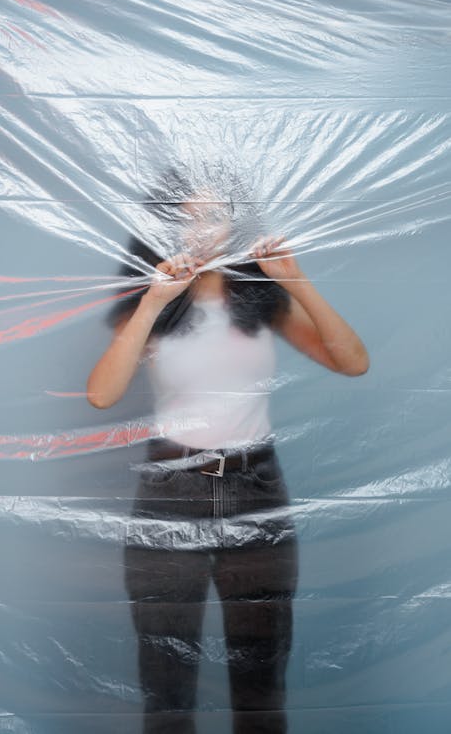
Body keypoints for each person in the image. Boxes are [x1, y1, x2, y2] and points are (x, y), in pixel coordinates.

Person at [87, 169, 370, 734]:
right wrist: (151, 302)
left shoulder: (263, 300)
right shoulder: (149, 304)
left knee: (261, 673)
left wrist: (297, 281)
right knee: (165, 675)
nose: (200, 232)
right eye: (184, 219)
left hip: (256, 486)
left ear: (236, 225)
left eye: (213, 217)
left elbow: (353, 362)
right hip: (171, 490)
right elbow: (102, 395)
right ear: (160, 227)